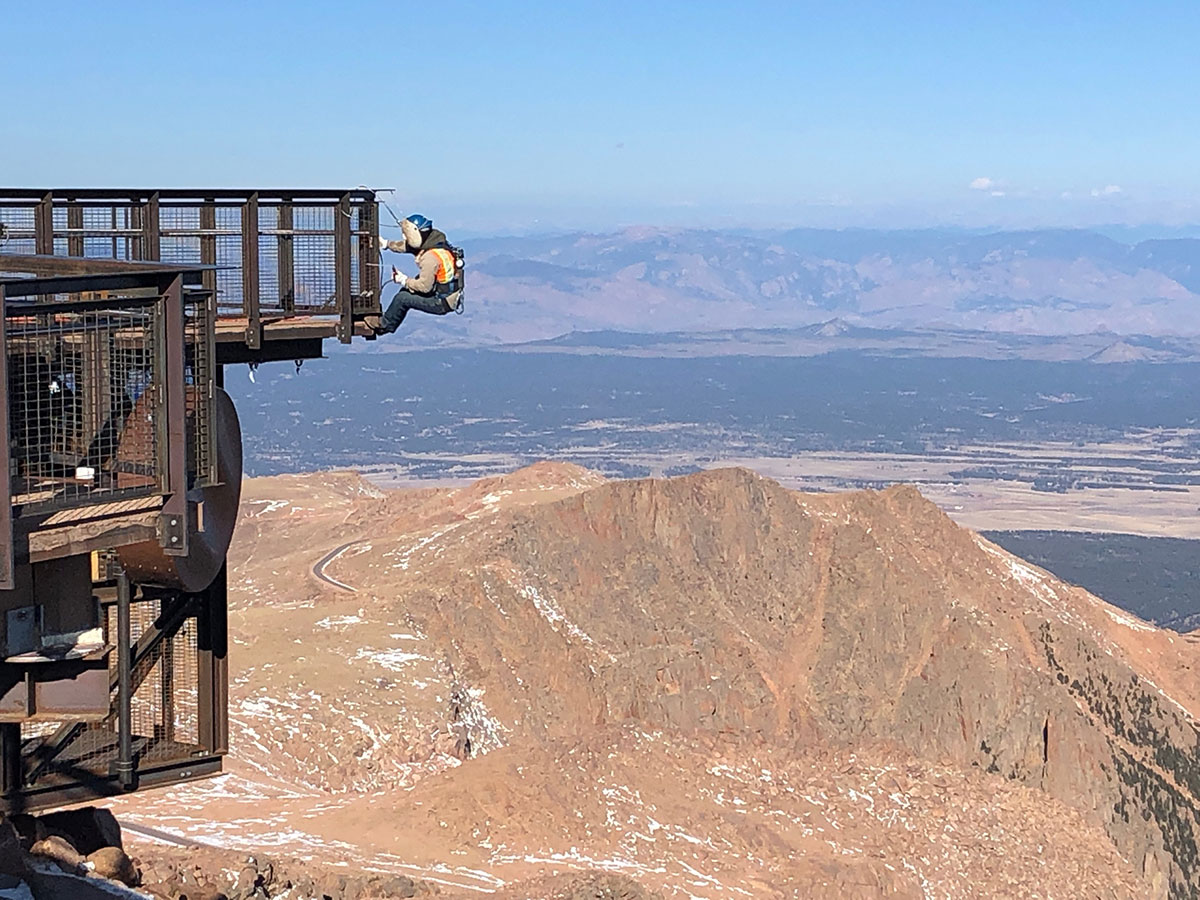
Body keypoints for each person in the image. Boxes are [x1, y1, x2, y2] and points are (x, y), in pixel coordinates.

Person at [366, 214, 463, 334]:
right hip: (446, 293)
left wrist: (404, 280)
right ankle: (388, 321)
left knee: (402, 298)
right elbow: (408, 246)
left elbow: (424, 287)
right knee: (407, 291)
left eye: (406, 234)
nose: (404, 237)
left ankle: (384, 326)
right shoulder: (435, 243)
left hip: (441, 302)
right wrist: (386, 244)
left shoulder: (430, 258)